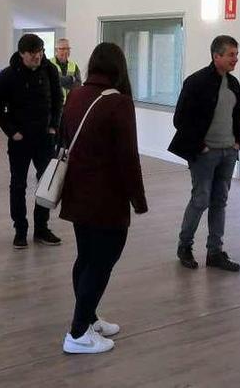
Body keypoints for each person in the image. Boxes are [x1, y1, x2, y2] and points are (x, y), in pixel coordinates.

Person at [58, 42, 148, 354]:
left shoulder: (76, 94)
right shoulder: (119, 103)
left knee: (86, 258)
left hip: (77, 193)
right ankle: (78, 332)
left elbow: (62, 139)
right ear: (119, 68)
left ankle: (90, 317)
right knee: (102, 261)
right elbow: (128, 157)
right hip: (106, 198)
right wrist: (139, 200)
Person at [168, 35, 240, 272]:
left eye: (236, 54)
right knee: (200, 199)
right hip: (205, 154)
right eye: (231, 54)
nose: (235, 59)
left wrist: (238, 143)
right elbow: (179, 119)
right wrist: (199, 145)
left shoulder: (233, 84)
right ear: (216, 56)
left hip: (228, 152)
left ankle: (215, 252)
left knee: (220, 201)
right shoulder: (196, 82)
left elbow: (237, 117)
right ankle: (184, 246)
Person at [0, 33, 63, 249]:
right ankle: (20, 230)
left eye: (40, 52)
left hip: (45, 139)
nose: (37, 57)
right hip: (20, 141)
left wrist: (53, 126)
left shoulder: (49, 70)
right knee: (18, 185)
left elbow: (58, 100)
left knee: (45, 183)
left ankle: (41, 228)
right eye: (32, 53)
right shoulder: (8, 75)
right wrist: (12, 132)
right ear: (22, 53)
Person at [51, 38, 82, 103]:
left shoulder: (74, 66)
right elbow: (50, 81)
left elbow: (78, 85)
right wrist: (71, 79)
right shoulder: (49, 64)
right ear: (56, 50)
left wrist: (60, 81)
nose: (66, 51)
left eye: (68, 49)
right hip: (54, 104)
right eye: (63, 49)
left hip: (70, 104)